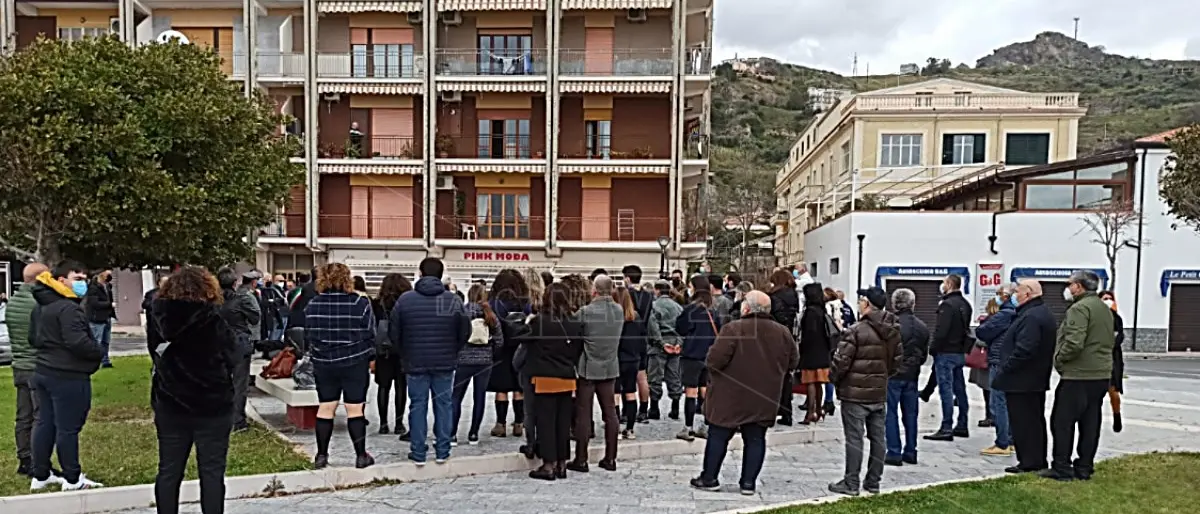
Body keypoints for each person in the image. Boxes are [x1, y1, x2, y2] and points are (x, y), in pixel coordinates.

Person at [690, 291, 798, 495]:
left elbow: (714, 360)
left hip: (729, 395)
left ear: (746, 308)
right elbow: (793, 360)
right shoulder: (782, 332)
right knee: (756, 438)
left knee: (719, 436)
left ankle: (709, 477)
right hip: (764, 396)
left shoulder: (733, 329)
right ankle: (748, 483)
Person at [149, 267, 238, 514]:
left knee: (169, 469)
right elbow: (233, 355)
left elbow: (154, 352)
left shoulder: (158, 317)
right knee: (211, 472)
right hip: (213, 404)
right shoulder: (214, 320)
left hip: (170, 401)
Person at [29, 261, 106, 490]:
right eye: (77, 279)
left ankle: (40, 474)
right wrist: (98, 352)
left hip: (44, 370)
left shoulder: (41, 306)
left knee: (45, 423)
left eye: (84, 279)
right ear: (61, 280)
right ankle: (72, 478)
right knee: (68, 428)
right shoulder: (67, 308)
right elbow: (78, 342)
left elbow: (33, 338)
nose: (82, 284)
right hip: (68, 375)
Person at [391, 258, 469, 465]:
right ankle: (443, 450)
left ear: (420, 273)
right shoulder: (453, 300)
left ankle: (418, 452)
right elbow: (465, 331)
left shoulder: (405, 300)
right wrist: (453, 350)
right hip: (444, 361)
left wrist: (405, 353)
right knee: (443, 404)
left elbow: (394, 333)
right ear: (441, 274)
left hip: (414, 361)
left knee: (417, 405)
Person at [827, 286, 901, 497]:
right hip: (878, 393)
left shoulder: (856, 331)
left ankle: (851, 482)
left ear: (868, 304)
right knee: (878, 438)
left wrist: (835, 380)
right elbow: (896, 363)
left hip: (855, 395)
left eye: (861, 301)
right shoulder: (893, 330)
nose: (858, 304)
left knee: (855, 438)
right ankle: (873, 481)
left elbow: (840, 363)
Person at [1041, 270, 1114, 482]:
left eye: (1069, 284)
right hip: (1100, 374)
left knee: (1062, 422)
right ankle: (1084, 466)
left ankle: (1061, 467)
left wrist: (1060, 360)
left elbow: (1074, 342)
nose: (1067, 288)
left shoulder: (1079, 308)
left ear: (1079, 287)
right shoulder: (1103, 307)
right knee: (1090, 422)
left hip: (1078, 374)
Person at [304, 263, 376, 470]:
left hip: (324, 362)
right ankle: (361, 455)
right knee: (355, 409)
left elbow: (308, 333)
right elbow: (370, 332)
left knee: (326, 407)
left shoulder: (313, 304)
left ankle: (321, 455)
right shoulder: (360, 303)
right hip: (354, 361)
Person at [991, 279, 1057, 474]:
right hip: (1031, 380)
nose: (1015, 295)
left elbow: (1024, 350)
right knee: (1032, 421)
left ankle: (1030, 461)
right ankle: (1034, 459)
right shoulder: (1037, 312)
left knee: (1025, 422)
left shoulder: (1031, 317)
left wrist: (1005, 369)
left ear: (1028, 293)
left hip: (1023, 381)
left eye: (1017, 291)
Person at [525, 283, 586, 481]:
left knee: (545, 422)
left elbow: (525, 341)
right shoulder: (574, 322)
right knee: (563, 422)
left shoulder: (540, 322)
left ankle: (548, 464)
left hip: (544, 377)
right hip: (567, 377)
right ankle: (562, 463)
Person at [569, 275, 624, 472]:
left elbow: (573, 333)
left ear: (594, 290)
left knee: (583, 413)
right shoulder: (619, 311)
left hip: (588, 367)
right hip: (610, 366)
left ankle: (581, 458)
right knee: (610, 413)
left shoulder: (586, 312)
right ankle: (611, 458)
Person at [9, 262, 48, 477]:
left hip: (19, 364)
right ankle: (37, 461)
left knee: (23, 415)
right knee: (39, 416)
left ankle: (24, 459)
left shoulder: (14, 301)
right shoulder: (37, 303)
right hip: (36, 364)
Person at [924, 274, 973, 442]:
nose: (942, 286)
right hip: (959, 352)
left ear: (950, 284)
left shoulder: (947, 305)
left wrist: (933, 349)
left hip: (946, 352)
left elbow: (941, 331)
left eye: (944, 283)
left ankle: (946, 427)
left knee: (946, 390)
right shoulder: (965, 304)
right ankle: (962, 424)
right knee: (960, 389)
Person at [675, 275, 722, 441]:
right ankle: (705, 425)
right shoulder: (713, 311)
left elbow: (680, 328)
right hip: (709, 356)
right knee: (705, 391)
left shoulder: (690, 310)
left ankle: (688, 427)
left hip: (692, 355)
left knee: (690, 391)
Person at [885, 288, 929, 466]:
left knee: (891, 413)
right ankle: (911, 450)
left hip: (893, 374)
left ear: (895, 304)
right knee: (911, 414)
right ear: (913, 304)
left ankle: (894, 451)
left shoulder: (891, 325)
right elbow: (924, 355)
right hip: (912, 375)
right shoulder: (922, 326)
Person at [974, 284, 1019, 457]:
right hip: (1009, 360)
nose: (997, 297)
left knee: (998, 402)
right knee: (1008, 402)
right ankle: (1011, 439)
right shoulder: (1018, 313)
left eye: (999, 294)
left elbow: (982, 331)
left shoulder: (1004, 314)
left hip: (998, 360)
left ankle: (1002, 442)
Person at [453, 284, 500, 446]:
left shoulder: (461, 312)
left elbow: (454, 335)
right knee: (479, 397)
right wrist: (490, 350)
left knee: (456, 397)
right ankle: (473, 434)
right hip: (484, 361)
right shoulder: (490, 314)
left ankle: (452, 433)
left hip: (463, 359)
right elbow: (500, 340)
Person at [487, 269, 531, 438]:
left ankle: (500, 424)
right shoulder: (524, 302)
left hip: (501, 349)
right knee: (518, 387)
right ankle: (519, 424)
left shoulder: (494, 302)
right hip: (520, 347)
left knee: (502, 388)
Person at [215, 268, 260, 433]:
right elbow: (255, 318)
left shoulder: (213, 301)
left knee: (221, 382)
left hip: (218, 344)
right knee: (239, 383)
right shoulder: (242, 300)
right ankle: (238, 421)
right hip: (239, 344)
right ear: (235, 283)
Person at [372, 273, 411, 438]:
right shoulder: (406, 303)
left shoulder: (376, 304)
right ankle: (399, 423)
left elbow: (371, 328)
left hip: (383, 351)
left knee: (383, 387)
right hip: (402, 350)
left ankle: (383, 424)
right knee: (401, 388)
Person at [766, 270, 800, 426]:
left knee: (771, 376)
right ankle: (786, 412)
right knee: (786, 376)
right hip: (789, 339)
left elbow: (774, 317)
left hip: (774, 340)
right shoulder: (794, 296)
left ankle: (772, 410)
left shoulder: (774, 298)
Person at [621, 265, 654, 423]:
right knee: (642, 376)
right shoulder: (649, 295)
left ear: (627, 278)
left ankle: (626, 411)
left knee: (626, 378)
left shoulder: (626, 294)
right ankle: (643, 409)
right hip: (643, 335)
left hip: (628, 335)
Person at [613, 287, 647, 439]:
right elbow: (642, 341)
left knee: (615, 394)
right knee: (630, 392)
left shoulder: (613, 317)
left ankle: (616, 428)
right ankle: (630, 429)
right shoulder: (637, 317)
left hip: (617, 359)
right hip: (633, 359)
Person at [797, 283, 834, 424]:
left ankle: (810, 412)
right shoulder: (822, 310)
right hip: (823, 350)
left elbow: (808, 334)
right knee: (819, 383)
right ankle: (819, 410)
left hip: (811, 351)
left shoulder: (810, 312)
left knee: (810, 382)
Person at [648, 279, 684, 420]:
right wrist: (679, 343)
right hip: (675, 343)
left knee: (655, 376)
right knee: (674, 376)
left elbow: (653, 327)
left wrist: (661, 343)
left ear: (657, 290)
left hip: (658, 345)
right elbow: (683, 327)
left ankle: (654, 408)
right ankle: (675, 407)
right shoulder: (678, 307)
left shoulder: (654, 306)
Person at [1099, 290, 1125, 433]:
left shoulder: (1117, 318)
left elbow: (1119, 337)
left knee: (1113, 391)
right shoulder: (1096, 318)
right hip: (1098, 358)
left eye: (1110, 299)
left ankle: (1117, 415)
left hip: (1113, 358)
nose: (1108, 301)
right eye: (1104, 299)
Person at [84, 269, 115, 368]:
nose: (109, 275)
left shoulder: (107, 286)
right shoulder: (93, 287)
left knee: (106, 341)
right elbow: (94, 303)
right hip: (96, 318)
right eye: (107, 273)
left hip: (107, 317)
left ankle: (105, 361)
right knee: (97, 340)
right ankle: (94, 361)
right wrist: (109, 304)